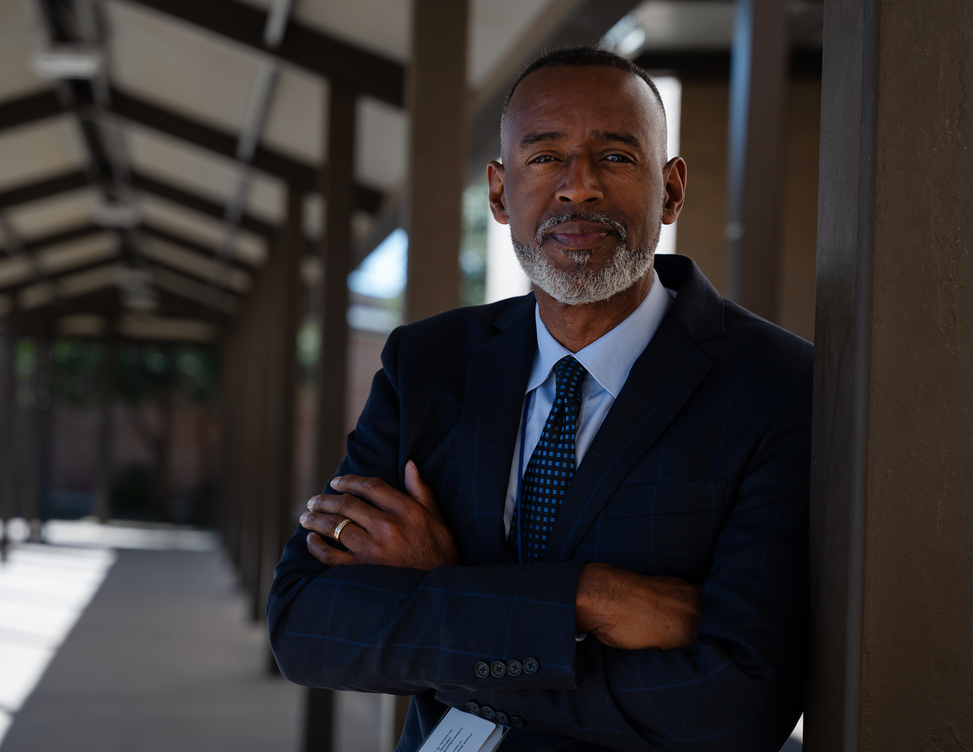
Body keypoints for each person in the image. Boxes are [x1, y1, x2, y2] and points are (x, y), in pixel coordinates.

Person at [268, 45, 811, 752]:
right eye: (545, 156)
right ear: (499, 192)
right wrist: (591, 597)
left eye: (615, 157)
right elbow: (308, 626)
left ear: (672, 189)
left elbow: (739, 704)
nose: (577, 187)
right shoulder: (427, 365)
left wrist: (447, 597)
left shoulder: (776, 384)